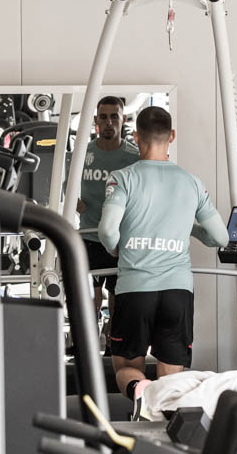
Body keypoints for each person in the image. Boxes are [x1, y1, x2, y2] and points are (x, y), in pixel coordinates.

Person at [98, 106, 228, 378]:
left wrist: (115, 249)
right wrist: (189, 229)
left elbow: (108, 231)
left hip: (135, 289)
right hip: (177, 292)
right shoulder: (192, 182)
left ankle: (139, 395)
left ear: (136, 136)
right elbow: (220, 237)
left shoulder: (122, 178)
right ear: (172, 136)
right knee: (171, 376)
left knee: (126, 368)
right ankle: (162, 405)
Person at [78, 96, 140, 318]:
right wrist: (74, 201)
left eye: (114, 117)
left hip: (119, 239)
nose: (109, 122)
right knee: (90, 300)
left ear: (123, 119)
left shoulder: (133, 157)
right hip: (89, 236)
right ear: (96, 120)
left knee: (116, 301)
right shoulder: (83, 153)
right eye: (103, 117)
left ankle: (112, 336)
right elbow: (67, 185)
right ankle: (89, 337)